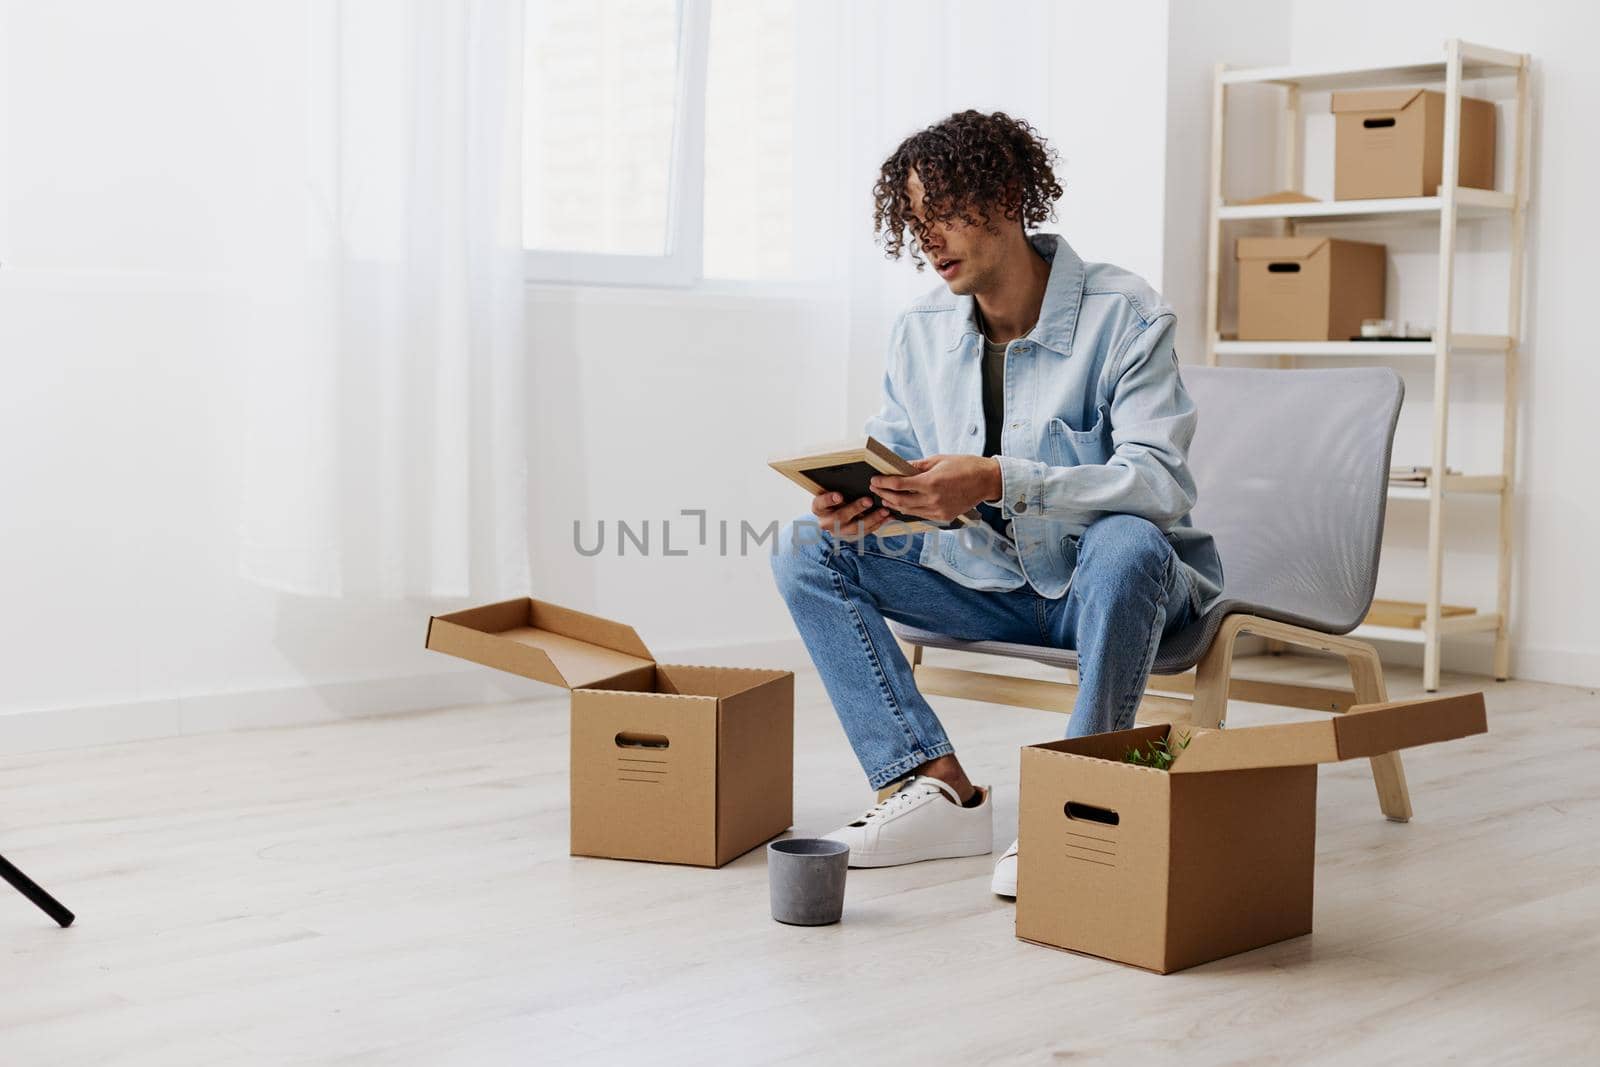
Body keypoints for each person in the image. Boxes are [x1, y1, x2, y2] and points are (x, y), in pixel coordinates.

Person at [769, 110, 1224, 897]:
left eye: (943, 213)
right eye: (915, 221)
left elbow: (1159, 484)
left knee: (1126, 541)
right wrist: (873, 503)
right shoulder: (918, 333)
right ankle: (937, 785)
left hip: (1112, 590)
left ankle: (1080, 805)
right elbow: (899, 461)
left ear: (1009, 196)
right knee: (802, 547)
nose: (928, 240)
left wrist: (996, 479)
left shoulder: (1126, 316)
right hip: (983, 581)